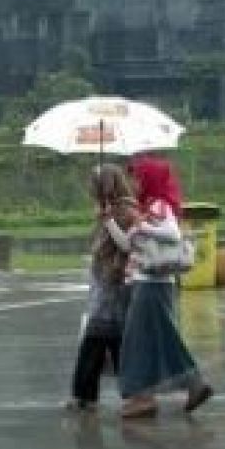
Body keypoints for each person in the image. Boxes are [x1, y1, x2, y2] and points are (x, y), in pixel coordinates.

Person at [106, 155, 214, 419]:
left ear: (148, 179)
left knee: (138, 341)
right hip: (149, 282)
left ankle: (145, 396)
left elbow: (172, 233)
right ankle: (184, 386)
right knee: (155, 340)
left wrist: (142, 226)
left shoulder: (158, 205)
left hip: (153, 284)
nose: (132, 182)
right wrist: (108, 221)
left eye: (136, 176)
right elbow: (128, 245)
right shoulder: (147, 208)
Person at [67, 165, 136, 411]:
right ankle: (121, 394)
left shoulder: (125, 211)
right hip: (104, 284)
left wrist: (107, 221)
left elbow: (126, 245)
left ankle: (88, 395)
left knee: (99, 338)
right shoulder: (108, 212)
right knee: (109, 340)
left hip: (112, 285)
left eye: (95, 186)